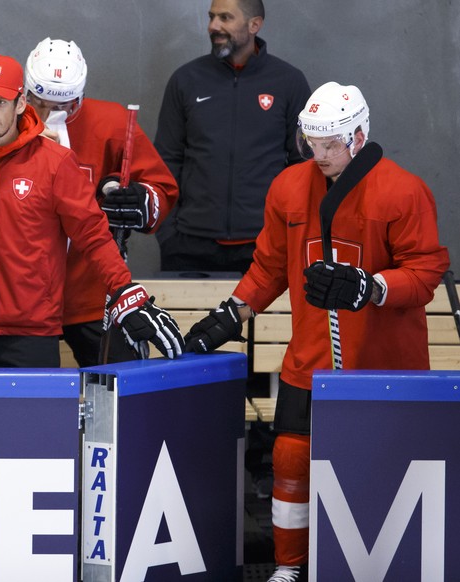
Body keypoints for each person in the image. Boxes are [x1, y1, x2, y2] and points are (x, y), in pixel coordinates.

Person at [183, 81, 449, 582]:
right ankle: (290, 566)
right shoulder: (289, 187)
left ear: (359, 135)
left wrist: (370, 286)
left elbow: (426, 273)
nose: (319, 154)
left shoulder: (403, 190)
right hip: (310, 360)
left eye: (331, 144)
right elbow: (270, 267)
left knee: (380, 467)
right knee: (289, 459)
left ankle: (379, 563)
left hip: (385, 365)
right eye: (311, 142)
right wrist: (229, 315)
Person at [0, 54, 184, 368]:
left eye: (1, 102)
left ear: (20, 103)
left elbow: (93, 235)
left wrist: (125, 291)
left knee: (33, 418)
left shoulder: (54, 162)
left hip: (30, 331)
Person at [23, 37, 180, 367]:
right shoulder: (7, 127)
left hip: (94, 293)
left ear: (79, 95)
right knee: (29, 403)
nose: (52, 114)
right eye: (41, 103)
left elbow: (162, 189)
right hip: (25, 298)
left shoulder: (111, 123)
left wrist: (141, 202)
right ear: (25, 94)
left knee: (120, 395)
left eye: (64, 105)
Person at [153, 0, 310, 273]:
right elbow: (165, 161)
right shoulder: (186, 80)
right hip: (189, 246)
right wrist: (169, 235)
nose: (214, 26)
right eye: (212, 17)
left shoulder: (289, 82)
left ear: (254, 25)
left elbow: (305, 166)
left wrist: (289, 232)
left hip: (266, 245)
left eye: (225, 18)